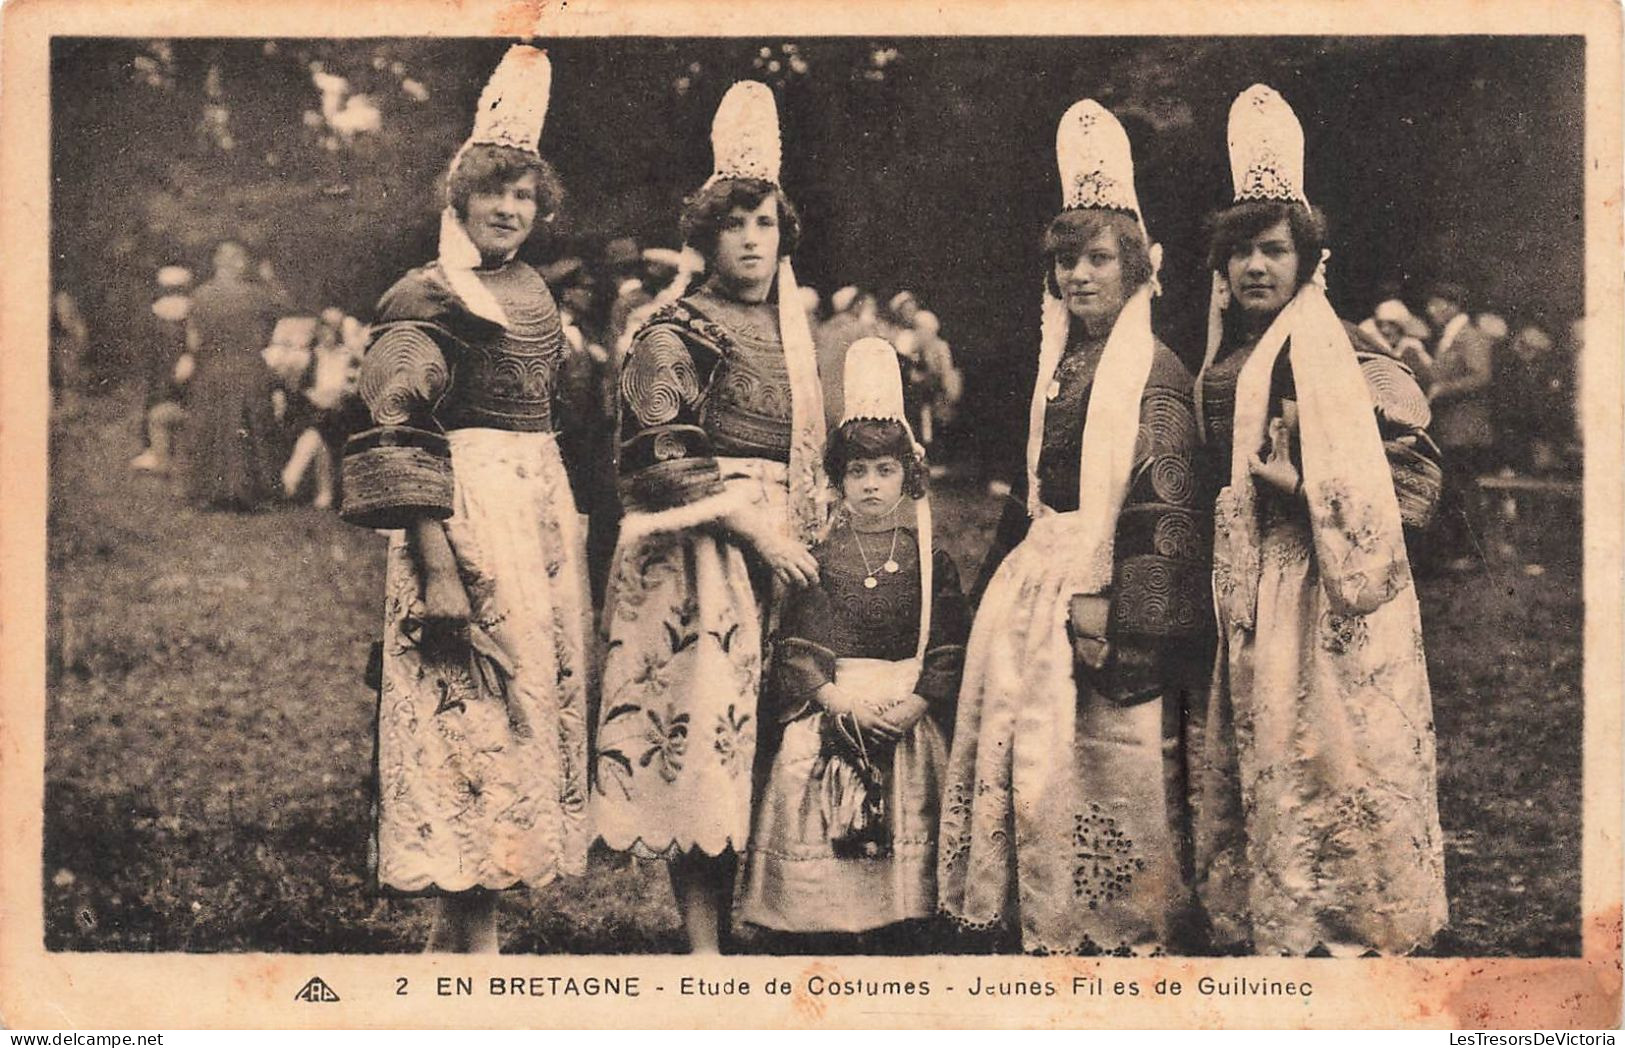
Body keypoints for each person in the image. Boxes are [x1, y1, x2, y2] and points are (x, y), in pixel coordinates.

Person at [338, 45, 593, 953]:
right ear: (459, 197)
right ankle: (467, 939)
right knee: (468, 708)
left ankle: (465, 932)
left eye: (524, 195)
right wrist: (439, 569)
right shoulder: (426, 293)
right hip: (462, 517)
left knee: (521, 709)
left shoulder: (530, 288)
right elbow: (398, 427)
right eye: (494, 191)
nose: (510, 209)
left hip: (537, 514)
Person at [938, 100, 1208, 955]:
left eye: (1097, 260)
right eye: (1065, 263)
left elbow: (1162, 506)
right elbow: (1031, 494)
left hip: (1105, 580)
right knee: (1030, 744)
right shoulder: (1061, 366)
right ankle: (1030, 899)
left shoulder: (1152, 370)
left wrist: (1120, 617)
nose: (1079, 278)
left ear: (1135, 269)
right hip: (1041, 568)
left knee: (1098, 750)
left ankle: (1107, 914)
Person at [1188, 85, 1447, 957]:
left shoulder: (1322, 344)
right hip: (1254, 572)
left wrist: (1299, 482)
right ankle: (1277, 907)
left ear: (1306, 259)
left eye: (1273, 251)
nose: (1256, 268)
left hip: (1318, 576)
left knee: (1330, 743)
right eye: (1241, 255)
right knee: (1272, 740)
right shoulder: (1227, 348)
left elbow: (1378, 478)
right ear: (1219, 268)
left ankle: (1342, 913)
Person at [592, 81, 827, 955]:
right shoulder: (671, 326)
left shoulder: (793, 329)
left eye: (765, 223)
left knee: (776, 731)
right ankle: (702, 940)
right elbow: (657, 454)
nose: (753, 241)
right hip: (702, 548)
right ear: (705, 236)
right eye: (735, 225)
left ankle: (780, 908)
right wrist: (753, 525)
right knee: (705, 735)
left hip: (787, 543)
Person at [740, 338, 969, 945]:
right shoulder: (822, 556)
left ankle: (905, 912)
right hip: (838, 705)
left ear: (908, 476)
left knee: (915, 798)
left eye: (886, 471)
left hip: (903, 709)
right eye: (858, 472)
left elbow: (948, 640)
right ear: (838, 479)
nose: (871, 485)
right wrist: (836, 701)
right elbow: (802, 644)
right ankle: (822, 915)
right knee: (811, 784)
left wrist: (919, 702)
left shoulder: (928, 559)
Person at [184, 240, 286, 510]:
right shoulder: (256, 295)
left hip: (212, 369)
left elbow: (193, 341)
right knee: (254, 431)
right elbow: (281, 311)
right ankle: (258, 495)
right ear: (237, 262)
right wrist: (270, 278)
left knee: (212, 430)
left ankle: (208, 494)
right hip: (248, 367)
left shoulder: (199, 296)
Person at [1424, 280, 1496, 569]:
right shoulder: (1452, 337)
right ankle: (1460, 552)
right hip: (1452, 429)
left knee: (1464, 490)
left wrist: (1443, 389)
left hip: (1465, 429)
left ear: (1451, 305)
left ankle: (1471, 553)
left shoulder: (1469, 336)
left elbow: (1481, 376)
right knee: (1456, 489)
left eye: (1435, 304)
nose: (1430, 311)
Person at [130, 266, 197, 474]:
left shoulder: (155, 312)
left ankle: (155, 449)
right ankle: (167, 449)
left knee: (157, 400)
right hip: (184, 367)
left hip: (162, 369)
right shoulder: (192, 310)